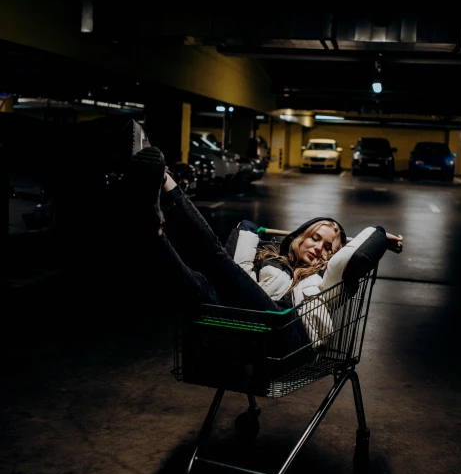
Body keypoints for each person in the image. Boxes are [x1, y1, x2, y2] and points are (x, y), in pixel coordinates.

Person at [118, 146, 404, 342]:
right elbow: (245, 239)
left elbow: (356, 256)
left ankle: (165, 180)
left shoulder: (327, 280)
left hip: (286, 331)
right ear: (299, 238)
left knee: (216, 262)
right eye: (314, 238)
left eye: (328, 247)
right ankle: (153, 233)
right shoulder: (270, 258)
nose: (318, 247)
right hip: (240, 320)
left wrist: (380, 236)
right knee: (196, 285)